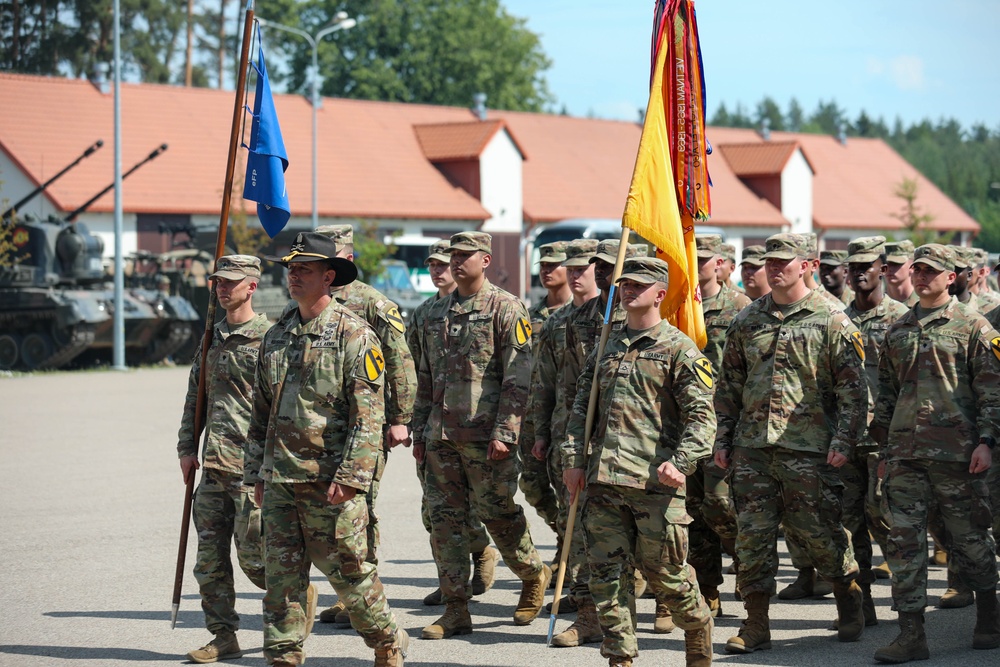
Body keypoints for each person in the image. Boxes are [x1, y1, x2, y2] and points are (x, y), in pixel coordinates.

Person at [245, 232, 408, 667]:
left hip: (329, 480)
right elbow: (261, 412)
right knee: (281, 579)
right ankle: (283, 652)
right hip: (280, 479)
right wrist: (255, 474)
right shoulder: (277, 334)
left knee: (351, 576)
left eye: (305, 269)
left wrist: (352, 478)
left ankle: (387, 642)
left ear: (329, 277)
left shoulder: (354, 334)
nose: (293, 275)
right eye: (291, 269)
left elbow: (368, 417)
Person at [715, 232, 868, 654]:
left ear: (808, 264)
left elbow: (854, 392)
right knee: (752, 538)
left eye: (785, 260)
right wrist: (723, 437)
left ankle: (846, 592)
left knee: (819, 533)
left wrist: (844, 441)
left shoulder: (833, 318)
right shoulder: (748, 320)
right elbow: (729, 386)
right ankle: (756, 622)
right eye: (770, 260)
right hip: (752, 449)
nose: (775, 267)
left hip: (811, 449)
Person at [563, 256, 715, 667]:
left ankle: (698, 629)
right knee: (607, 579)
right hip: (603, 482)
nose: (628, 290)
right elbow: (582, 409)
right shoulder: (606, 346)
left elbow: (702, 417)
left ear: (660, 294)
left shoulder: (679, 349)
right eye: (624, 284)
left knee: (666, 577)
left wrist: (681, 463)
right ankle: (620, 657)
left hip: (655, 485)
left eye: (638, 285)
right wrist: (573, 459)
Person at [412, 231, 550, 640]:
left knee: (498, 514)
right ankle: (456, 608)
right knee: (445, 521)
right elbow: (425, 377)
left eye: (465, 256)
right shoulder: (435, 312)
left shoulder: (505, 308)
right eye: (452, 255)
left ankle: (531, 574)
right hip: (440, 435)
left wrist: (506, 431)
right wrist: (421, 428)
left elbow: (518, 376)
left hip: (486, 436)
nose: (456, 262)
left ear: (485, 260)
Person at [871, 243, 1000, 663]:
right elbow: (886, 395)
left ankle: (988, 615)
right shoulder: (899, 329)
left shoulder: (975, 327)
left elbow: (992, 392)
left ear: (951, 277)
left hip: (959, 455)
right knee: (905, 544)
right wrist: (885, 451)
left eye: (932, 271)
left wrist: (988, 441)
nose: (923, 276)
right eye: (918, 270)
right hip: (906, 454)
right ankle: (912, 635)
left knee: (971, 541)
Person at [312, 224, 418, 626]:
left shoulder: (373, 303)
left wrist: (400, 419)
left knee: (359, 510)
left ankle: (361, 593)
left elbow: (400, 362)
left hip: (365, 426)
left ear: (347, 260)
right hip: (319, 430)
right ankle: (348, 591)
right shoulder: (308, 303)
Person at [176, 255, 272, 664]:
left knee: (256, 561)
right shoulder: (210, 338)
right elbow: (194, 397)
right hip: (213, 468)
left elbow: (281, 405)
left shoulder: (271, 337)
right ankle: (223, 635)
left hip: (250, 471)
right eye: (218, 281)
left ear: (251, 286)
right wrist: (186, 448)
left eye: (230, 282)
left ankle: (294, 596)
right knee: (209, 563)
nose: (221, 288)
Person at [407, 240, 497, 607]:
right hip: (435, 427)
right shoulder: (426, 313)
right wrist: (414, 425)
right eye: (434, 264)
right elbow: (416, 371)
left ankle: (481, 553)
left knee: (477, 507)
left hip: (476, 427)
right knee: (437, 511)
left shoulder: (495, 307)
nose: (439, 270)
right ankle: (452, 584)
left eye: (446, 263)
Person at [532, 239, 604, 647]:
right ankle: (586, 608)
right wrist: (541, 433)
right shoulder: (557, 322)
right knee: (572, 526)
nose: (575, 276)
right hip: (567, 440)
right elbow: (544, 384)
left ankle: (654, 600)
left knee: (608, 529)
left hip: (608, 440)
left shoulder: (610, 318)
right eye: (570, 270)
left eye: (582, 269)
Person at [842, 236, 909, 623]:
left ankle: (908, 609)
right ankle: (859, 603)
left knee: (887, 519)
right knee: (848, 525)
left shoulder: (902, 318)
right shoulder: (837, 318)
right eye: (853, 267)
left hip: (886, 438)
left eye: (867, 265)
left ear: (883, 269)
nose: (859, 272)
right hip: (845, 437)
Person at [687, 234, 749, 616]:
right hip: (686, 422)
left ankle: (746, 558)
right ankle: (707, 588)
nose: (699, 265)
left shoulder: (739, 308)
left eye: (706, 258)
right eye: (694, 257)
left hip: (723, 421)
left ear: (720, 264)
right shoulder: (678, 306)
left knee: (720, 505)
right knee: (692, 511)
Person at [519, 241, 571, 546]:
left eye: (555, 265)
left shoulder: (579, 314)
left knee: (569, 485)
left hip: (564, 410)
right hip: (533, 411)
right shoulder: (531, 314)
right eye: (543, 265)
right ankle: (566, 535)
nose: (547, 270)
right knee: (533, 485)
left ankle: (570, 551)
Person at [885, 241, 918, 307]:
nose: (889, 268)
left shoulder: (923, 304)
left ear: (912, 267)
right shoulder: (876, 304)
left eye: (896, 264)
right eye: (886, 264)